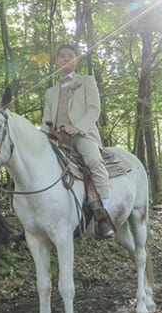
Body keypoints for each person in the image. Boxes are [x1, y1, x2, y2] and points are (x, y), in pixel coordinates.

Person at [41, 43, 115, 239]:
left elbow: (93, 109)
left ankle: (102, 217)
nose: (66, 58)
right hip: (57, 138)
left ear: (76, 60)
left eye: (70, 56)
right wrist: (42, 138)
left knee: (94, 162)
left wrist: (78, 127)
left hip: (81, 135)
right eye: (62, 56)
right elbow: (46, 120)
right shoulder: (50, 92)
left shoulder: (87, 81)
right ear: (56, 61)